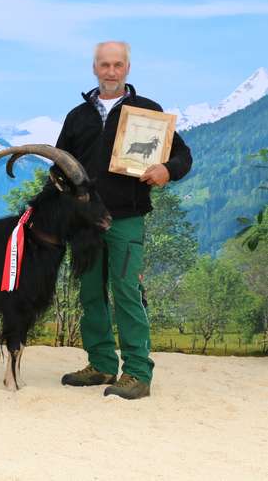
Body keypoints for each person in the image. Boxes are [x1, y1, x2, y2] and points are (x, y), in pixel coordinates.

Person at [58, 41, 192, 399]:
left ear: (127, 68)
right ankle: (101, 364)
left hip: (127, 218)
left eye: (118, 65)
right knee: (90, 294)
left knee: (127, 292)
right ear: (94, 68)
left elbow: (183, 155)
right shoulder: (76, 117)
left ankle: (136, 373)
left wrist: (167, 168)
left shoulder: (147, 112)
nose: (111, 71)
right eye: (105, 65)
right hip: (84, 223)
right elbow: (60, 168)